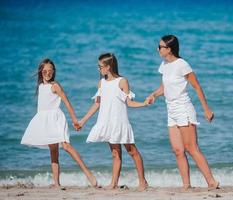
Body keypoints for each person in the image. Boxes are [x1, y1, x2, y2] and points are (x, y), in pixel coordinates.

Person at [146, 35, 219, 190]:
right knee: (178, 150)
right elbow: (164, 87)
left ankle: (212, 182)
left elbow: (197, 87)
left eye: (160, 47)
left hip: (183, 109)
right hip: (171, 110)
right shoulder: (164, 65)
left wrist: (206, 109)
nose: (157, 49)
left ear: (169, 49)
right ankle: (186, 185)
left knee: (191, 148)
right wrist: (154, 95)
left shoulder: (182, 64)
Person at [21, 58, 98, 189]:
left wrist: (75, 120)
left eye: (50, 71)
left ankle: (88, 174)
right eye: (45, 71)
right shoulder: (40, 86)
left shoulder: (55, 86)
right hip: (45, 120)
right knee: (53, 151)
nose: (47, 73)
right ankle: (56, 183)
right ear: (41, 72)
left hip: (56, 119)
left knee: (66, 146)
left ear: (53, 72)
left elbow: (67, 102)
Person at [79, 53, 148, 191]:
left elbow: (129, 102)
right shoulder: (101, 83)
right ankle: (114, 183)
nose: (99, 69)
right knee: (115, 153)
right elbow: (97, 105)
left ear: (108, 67)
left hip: (120, 122)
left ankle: (143, 182)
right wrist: (83, 121)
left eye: (100, 67)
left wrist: (144, 104)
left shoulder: (122, 81)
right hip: (107, 122)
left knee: (132, 151)